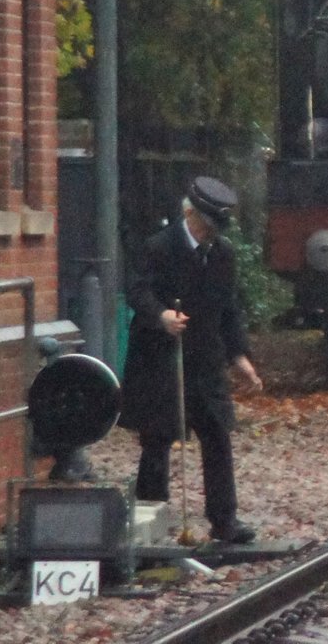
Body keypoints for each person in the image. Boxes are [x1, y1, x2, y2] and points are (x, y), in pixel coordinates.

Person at [119, 176, 263, 543]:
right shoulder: (158, 247)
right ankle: (151, 516)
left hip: (205, 359)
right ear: (189, 214)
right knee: (157, 437)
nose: (209, 235)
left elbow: (228, 309)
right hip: (159, 359)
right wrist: (162, 316)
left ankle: (224, 519)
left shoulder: (222, 254)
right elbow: (137, 290)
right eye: (204, 226)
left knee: (217, 434)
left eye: (214, 229)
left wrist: (239, 356)